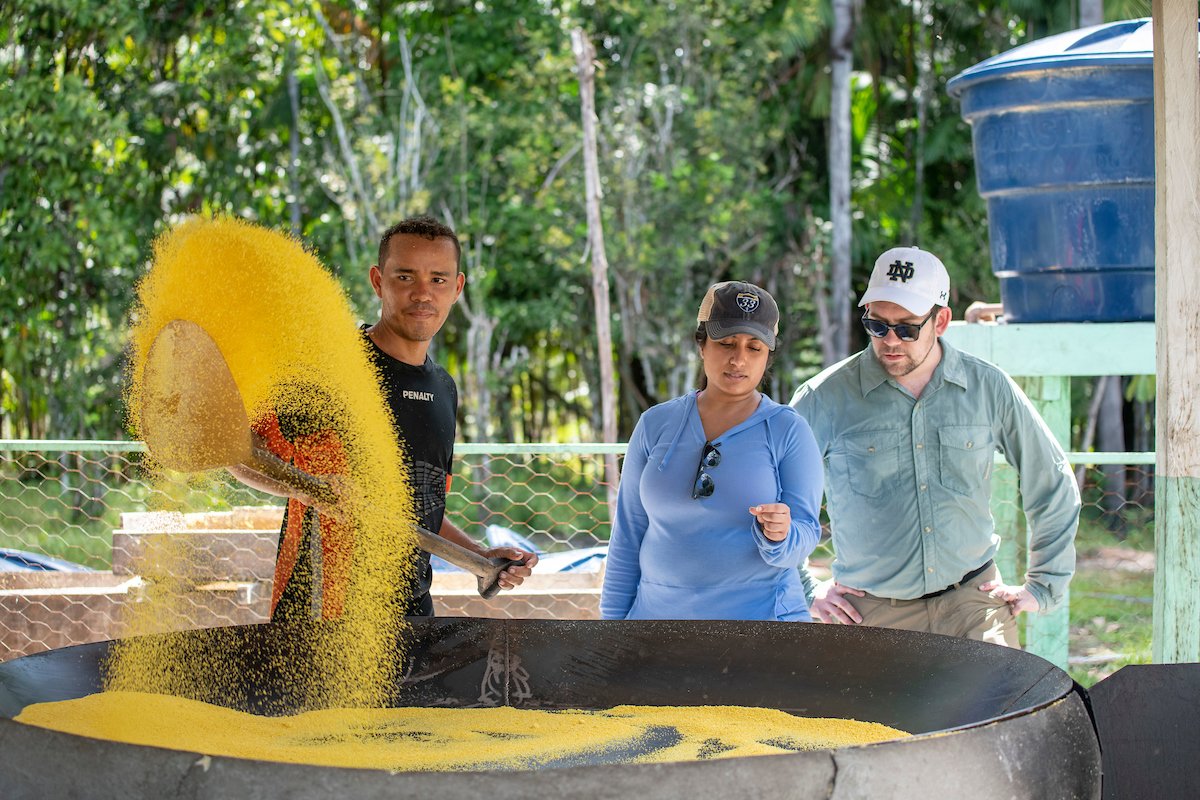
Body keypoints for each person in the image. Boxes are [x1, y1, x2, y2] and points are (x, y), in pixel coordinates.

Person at [239, 215, 537, 620]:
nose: (422, 294)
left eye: (438, 279)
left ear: (458, 288)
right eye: (405, 277)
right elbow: (239, 453)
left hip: (411, 619)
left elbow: (423, 506)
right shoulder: (327, 369)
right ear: (378, 281)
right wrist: (309, 489)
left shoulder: (444, 389)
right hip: (317, 619)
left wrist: (479, 557)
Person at [789, 246, 1080, 647]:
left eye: (907, 328)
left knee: (1003, 709)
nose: (890, 341)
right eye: (877, 326)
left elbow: (1052, 479)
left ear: (941, 320)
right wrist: (805, 587)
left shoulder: (987, 388)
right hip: (870, 614)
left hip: (974, 604)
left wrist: (1045, 585)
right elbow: (771, 497)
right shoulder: (824, 397)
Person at [600, 281, 824, 621]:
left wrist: (782, 535)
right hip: (655, 629)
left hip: (764, 632)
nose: (739, 359)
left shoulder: (787, 429)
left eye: (755, 348)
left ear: (768, 356)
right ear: (701, 344)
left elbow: (807, 532)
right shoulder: (655, 424)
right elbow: (628, 537)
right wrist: (611, 632)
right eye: (726, 343)